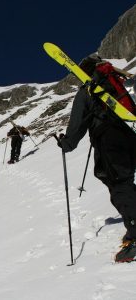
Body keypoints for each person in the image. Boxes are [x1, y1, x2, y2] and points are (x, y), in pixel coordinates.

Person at [58, 55, 136, 263]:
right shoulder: (118, 83)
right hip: (130, 134)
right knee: (122, 179)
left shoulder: (88, 89)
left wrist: (67, 143)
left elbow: (77, 124)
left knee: (119, 183)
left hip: (109, 138)